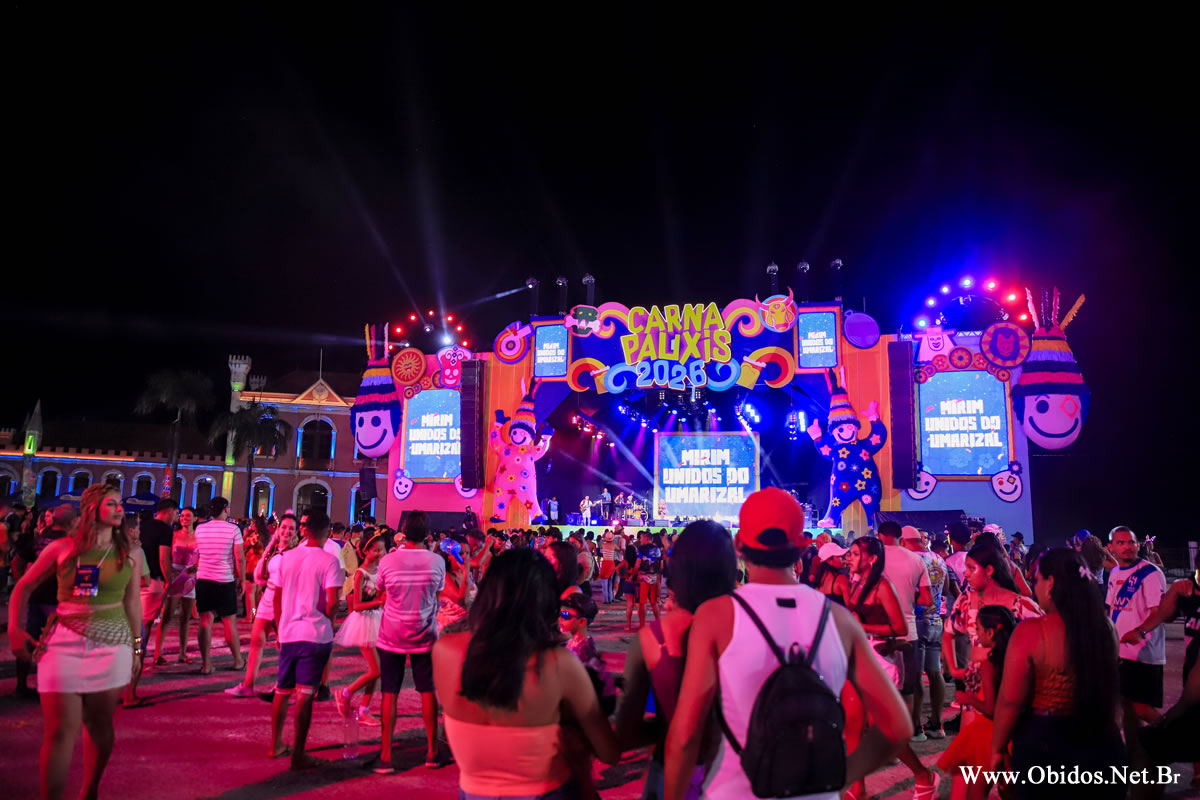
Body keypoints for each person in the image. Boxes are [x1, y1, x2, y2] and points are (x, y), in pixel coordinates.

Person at [664, 489, 913, 800]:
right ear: (804, 545)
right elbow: (898, 725)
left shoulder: (716, 616)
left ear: (738, 545)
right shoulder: (840, 620)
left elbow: (685, 736)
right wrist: (840, 776)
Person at [433, 548, 620, 798]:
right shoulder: (558, 664)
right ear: (546, 602)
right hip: (544, 792)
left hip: (473, 791)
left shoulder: (444, 650)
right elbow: (608, 751)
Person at [6, 484, 141, 800]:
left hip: (112, 644)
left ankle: (89, 791)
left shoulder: (131, 553)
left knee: (98, 725)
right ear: (92, 509)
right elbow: (23, 586)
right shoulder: (62, 548)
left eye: (120, 504)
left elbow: (133, 602)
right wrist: (14, 628)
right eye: (112, 504)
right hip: (63, 641)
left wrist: (137, 647)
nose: (120, 509)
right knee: (59, 731)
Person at [615, 520, 738, 800]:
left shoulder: (654, 637)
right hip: (738, 772)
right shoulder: (751, 626)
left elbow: (624, 733)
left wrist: (664, 727)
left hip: (671, 769)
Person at [992, 548, 1125, 799]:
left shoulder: (1032, 631)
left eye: (1037, 580)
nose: (1035, 587)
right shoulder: (1106, 628)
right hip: (1103, 739)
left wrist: (997, 749)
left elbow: (1010, 701)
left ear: (1051, 582)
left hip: (1047, 746)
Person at [845, 536, 936, 799]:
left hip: (880, 660)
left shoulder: (883, 586)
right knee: (853, 724)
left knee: (883, 729)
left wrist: (861, 626)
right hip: (860, 655)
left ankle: (923, 775)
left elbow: (899, 627)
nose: (849, 558)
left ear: (872, 559)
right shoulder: (857, 583)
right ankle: (858, 787)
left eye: (855, 554)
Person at [267, 509, 342, 770]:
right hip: (314, 634)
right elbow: (333, 601)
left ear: (305, 530)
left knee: (282, 690)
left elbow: (276, 597)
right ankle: (299, 753)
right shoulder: (329, 561)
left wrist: (280, 629)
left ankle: (276, 744)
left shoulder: (286, 557)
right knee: (305, 694)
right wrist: (328, 621)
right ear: (327, 532)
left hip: (289, 632)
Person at [374, 510, 447, 773]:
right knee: (427, 691)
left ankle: (386, 755)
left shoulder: (388, 560)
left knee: (389, 692)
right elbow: (437, 594)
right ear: (427, 534)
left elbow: (381, 591)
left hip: (391, 634)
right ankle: (432, 752)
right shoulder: (437, 561)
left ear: (403, 532)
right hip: (425, 633)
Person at [944, 544, 1041, 712]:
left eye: (971, 568)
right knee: (972, 727)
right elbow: (948, 633)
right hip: (975, 681)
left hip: (1009, 681)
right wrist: (954, 670)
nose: (966, 574)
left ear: (989, 570)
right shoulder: (966, 600)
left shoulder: (1020, 605)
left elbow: (1043, 640)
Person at [936, 606, 1014, 800]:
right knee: (1009, 788)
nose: (976, 634)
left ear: (990, 632)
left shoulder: (989, 665)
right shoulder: (1016, 659)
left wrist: (968, 699)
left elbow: (990, 708)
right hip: (1013, 731)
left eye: (978, 629)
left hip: (988, 733)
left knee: (977, 790)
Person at [1106, 525, 1168, 760]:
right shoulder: (1114, 573)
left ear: (1138, 545)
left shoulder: (1150, 573)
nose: (1127, 547)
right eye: (1120, 543)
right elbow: (1112, 609)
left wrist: (1140, 632)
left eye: (1131, 542)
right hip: (1120, 653)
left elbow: (1159, 611)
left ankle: (1180, 739)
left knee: (1142, 709)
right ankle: (1136, 759)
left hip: (1144, 653)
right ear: (1111, 547)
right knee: (1127, 709)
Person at [227, 513, 299, 697]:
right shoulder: (271, 546)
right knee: (256, 640)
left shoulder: (297, 553)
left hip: (284, 602)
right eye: (284, 527)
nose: (286, 531)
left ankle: (283, 687)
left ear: (296, 532)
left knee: (284, 645)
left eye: (291, 528)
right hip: (265, 594)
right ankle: (248, 684)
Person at [876, 523, 934, 738]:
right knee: (910, 684)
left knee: (880, 685)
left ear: (879, 536)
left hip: (879, 630)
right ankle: (912, 729)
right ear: (900, 538)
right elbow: (927, 599)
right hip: (909, 630)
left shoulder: (874, 558)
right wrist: (908, 598)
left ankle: (884, 732)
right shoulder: (916, 560)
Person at [14, 504, 76, 698]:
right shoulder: (69, 543)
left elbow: (16, 562)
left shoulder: (38, 540)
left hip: (36, 597)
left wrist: (23, 583)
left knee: (30, 639)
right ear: (71, 522)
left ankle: (21, 686)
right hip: (58, 598)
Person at [900, 524, 949, 740]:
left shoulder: (912, 560)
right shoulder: (939, 559)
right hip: (936, 619)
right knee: (935, 672)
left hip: (917, 620)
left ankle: (916, 727)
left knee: (916, 674)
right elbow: (945, 589)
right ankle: (937, 725)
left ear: (904, 541)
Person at [334, 530, 386, 722]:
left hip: (379, 619)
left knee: (377, 670)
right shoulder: (360, 574)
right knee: (376, 670)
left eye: (382, 550)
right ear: (365, 551)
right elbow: (356, 605)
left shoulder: (380, 571)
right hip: (364, 622)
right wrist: (377, 602)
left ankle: (364, 709)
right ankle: (345, 693)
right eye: (376, 550)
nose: (380, 553)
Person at [193, 497, 245, 675]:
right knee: (229, 622)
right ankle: (238, 660)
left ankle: (206, 664)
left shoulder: (200, 529)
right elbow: (239, 557)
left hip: (204, 578)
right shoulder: (233, 529)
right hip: (224, 579)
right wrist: (242, 579)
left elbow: (197, 554)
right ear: (226, 509)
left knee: (205, 622)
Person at [123, 512, 161, 708]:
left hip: (107, 607)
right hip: (131, 606)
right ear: (130, 531)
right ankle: (130, 695)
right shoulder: (136, 552)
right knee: (137, 651)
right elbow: (145, 580)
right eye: (138, 528)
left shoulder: (104, 549)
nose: (140, 531)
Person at [157, 506, 199, 665]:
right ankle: (157, 653)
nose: (184, 518)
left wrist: (197, 566)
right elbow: (165, 556)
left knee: (185, 617)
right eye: (182, 516)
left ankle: (182, 653)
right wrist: (168, 574)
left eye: (188, 516)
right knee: (167, 615)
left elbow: (202, 556)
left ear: (195, 519)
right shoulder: (173, 535)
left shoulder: (198, 537)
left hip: (190, 579)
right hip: (175, 576)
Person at [637, 530, 663, 628]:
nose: (640, 540)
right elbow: (661, 565)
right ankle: (658, 622)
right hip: (654, 578)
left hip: (644, 577)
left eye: (642, 538)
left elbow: (638, 563)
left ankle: (642, 625)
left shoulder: (641, 549)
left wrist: (634, 573)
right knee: (654, 602)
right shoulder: (658, 550)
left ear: (647, 539)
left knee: (642, 603)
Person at [812, 541, 851, 606]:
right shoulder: (841, 579)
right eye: (841, 557)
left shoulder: (819, 579)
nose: (844, 560)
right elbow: (850, 606)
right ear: (830, 561)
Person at [618, 544, 641, 631]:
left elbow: (616, 568)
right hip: (637, 584)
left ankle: (628, 625)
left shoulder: (625, 562)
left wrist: (622, 576)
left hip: (628, 583)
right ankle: (641, 624)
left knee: (629, 605)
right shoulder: (638, 561)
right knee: (638, 605)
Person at [570, 530, 595, 598]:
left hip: (583, 587)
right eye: (570, 542)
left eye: (574, 542)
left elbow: (585, 573)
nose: (571, 545)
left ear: (581, 543)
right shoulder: (579, 554)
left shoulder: (584, 555)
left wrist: (575, 585)